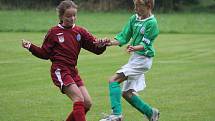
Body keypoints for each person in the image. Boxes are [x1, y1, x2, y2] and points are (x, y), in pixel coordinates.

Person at [22, 0, 108, 121]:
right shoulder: (53, 32)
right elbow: (44, 53)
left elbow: (96, 49)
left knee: (87, 103)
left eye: (74, 15)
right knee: (78, 99)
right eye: (68, 16)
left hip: (73, 71)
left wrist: (101, 45)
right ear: (61, 16)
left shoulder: (80, 32)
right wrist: (31, 46)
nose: (72, 18)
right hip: (60, 70)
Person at [98, 0, 160, 121]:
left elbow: (146, 44)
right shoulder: (134, 18)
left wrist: (135, 47)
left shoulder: (152, 23)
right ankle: (151, 113)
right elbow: (124, 36)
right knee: (126, 93)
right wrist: (108, 43)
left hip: (143, 59)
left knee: (113, 80)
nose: (135, 8)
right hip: (135, 58)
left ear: (149, 6)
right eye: (134, 5)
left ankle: (116, 115)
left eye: (138, 6)